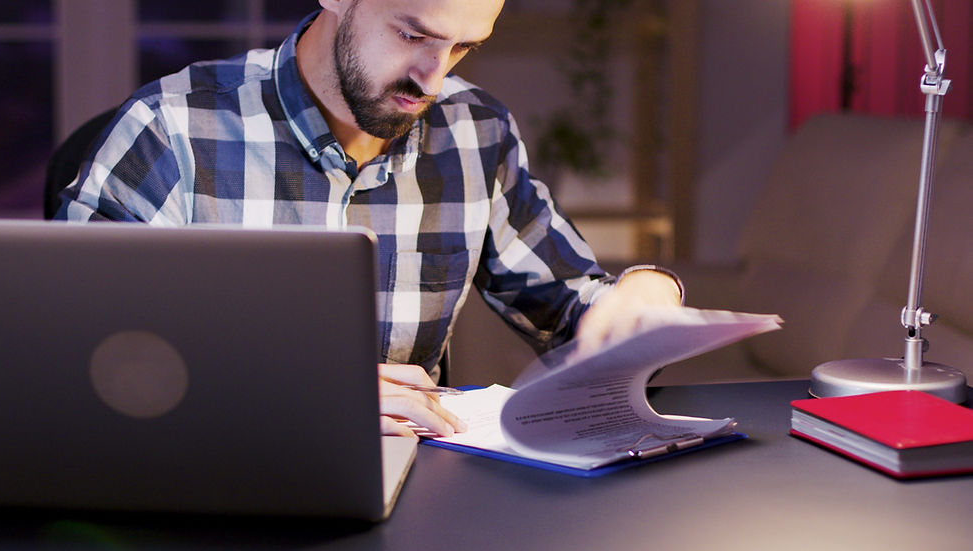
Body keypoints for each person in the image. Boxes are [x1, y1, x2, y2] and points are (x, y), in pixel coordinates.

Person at [56, 0, 684, 437]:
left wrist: (643, 299)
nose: (432, 80)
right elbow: (73, 348)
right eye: (412, 35)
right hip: (216, 466)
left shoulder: (474, 130)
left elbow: (573, 310)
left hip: (415, 481)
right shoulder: (174, 125)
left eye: (462, 46)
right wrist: (301, 393)